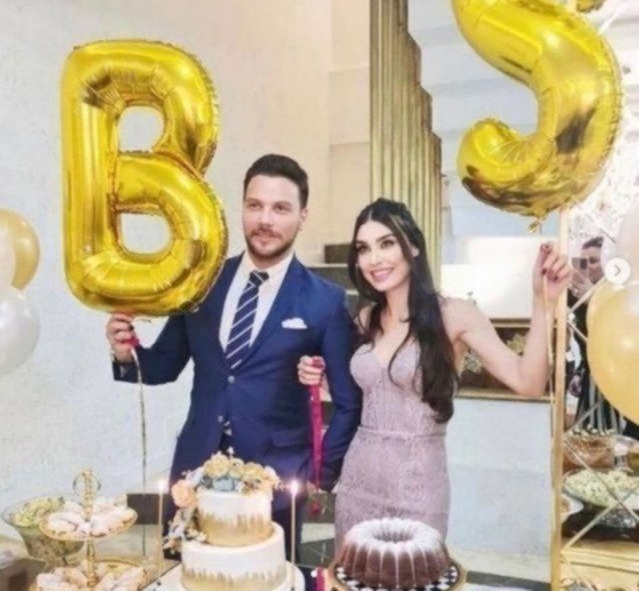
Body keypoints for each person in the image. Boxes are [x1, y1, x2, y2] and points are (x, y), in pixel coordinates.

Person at [106, 154, 362, 553]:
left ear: (303, 216)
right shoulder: (201, 282)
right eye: (255, 205)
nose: (265, 219)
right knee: (187, 574)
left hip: (278, 485)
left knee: (273, 577)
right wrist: (126, 353)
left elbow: (348, 403)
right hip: (194, 475)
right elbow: (163, 366)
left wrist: (321, 475)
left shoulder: (325, 301)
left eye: (280, 208)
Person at [298, 198, 571, 546]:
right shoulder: (366, 319)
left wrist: (543, 302)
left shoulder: (455, 315)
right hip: (358, 482)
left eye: (387, 243)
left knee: (415, 571)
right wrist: (318, 375)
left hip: (418, 487)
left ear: (413, 246)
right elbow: (364, 394)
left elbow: (528, 382)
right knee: (353, 573)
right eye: (363, 249)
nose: (374, 259)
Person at [569, 236, 638, 438]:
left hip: (620, 380)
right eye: (582, 262)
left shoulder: (624, 292)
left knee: (619, 442)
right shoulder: (576, 300)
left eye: (593, 261)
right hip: (592, 382)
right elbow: (587, 344)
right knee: (589, 441)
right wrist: (579, 372)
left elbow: (620, 335)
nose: (587, 267)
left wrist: (593, 299)